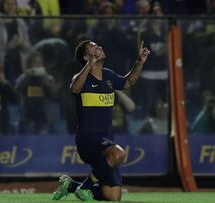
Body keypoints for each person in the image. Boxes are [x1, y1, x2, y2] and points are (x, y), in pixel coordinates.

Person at [52, 40, 150, 201]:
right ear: (86, 57)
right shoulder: (81, 77)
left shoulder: (108, 75)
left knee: (112, 196)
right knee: (119, 153)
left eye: (98, 46)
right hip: (88, 139)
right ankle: (85, 186)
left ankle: (71, 186)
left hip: (106, 140)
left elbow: (128, 82)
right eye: (93, 47)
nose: (99, 48)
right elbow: (74, 88)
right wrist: (89, 65)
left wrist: (139, 62)